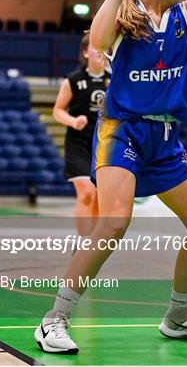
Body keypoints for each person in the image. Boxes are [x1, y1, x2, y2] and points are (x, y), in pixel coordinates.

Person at [35, 0, 187, 354]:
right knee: (114, 223)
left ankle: (179, 315)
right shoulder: (127, 18)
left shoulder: (185, 17)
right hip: (122, 131)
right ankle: (54, 320)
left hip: (165, 138)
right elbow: (99, 40)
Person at [53, 34, 110, 236]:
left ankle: (92, 242)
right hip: (78, 144)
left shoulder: (113, 79)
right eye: (97, 48)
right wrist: (73, 121)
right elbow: (57, 110)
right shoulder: (74, 80)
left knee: (98, 197)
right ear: (86, 52)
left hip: (103, 144)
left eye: (105, 48)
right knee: (86, 193)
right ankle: (84, 242)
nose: (101, 52)